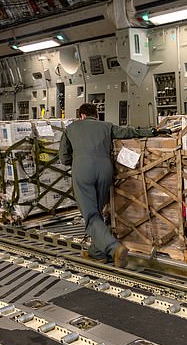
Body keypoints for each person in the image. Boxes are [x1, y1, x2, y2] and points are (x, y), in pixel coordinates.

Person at [59, 103, 157, 267]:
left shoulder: (71, 128)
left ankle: (115, 248)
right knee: (97, 212)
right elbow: (129, 132)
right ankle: (97, 253)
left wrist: (77, 160)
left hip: (83, 171)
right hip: (105, 170)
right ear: (96, 115)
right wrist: (152, 131)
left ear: (81, 115)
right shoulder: (106, 126)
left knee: (90, 215)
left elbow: (64, 158)